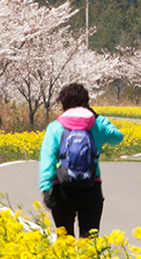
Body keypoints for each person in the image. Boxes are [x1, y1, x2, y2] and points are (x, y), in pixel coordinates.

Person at [39, 83, 123, 238]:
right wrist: (99, 118)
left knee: (65, 241)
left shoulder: (55, 127)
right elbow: (117, 137)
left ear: (63, 104)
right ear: (86, 103)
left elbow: (47, 158)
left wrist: (46, 188)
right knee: (89, 241)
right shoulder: (96, 125)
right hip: (91, 187)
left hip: (62, 188)